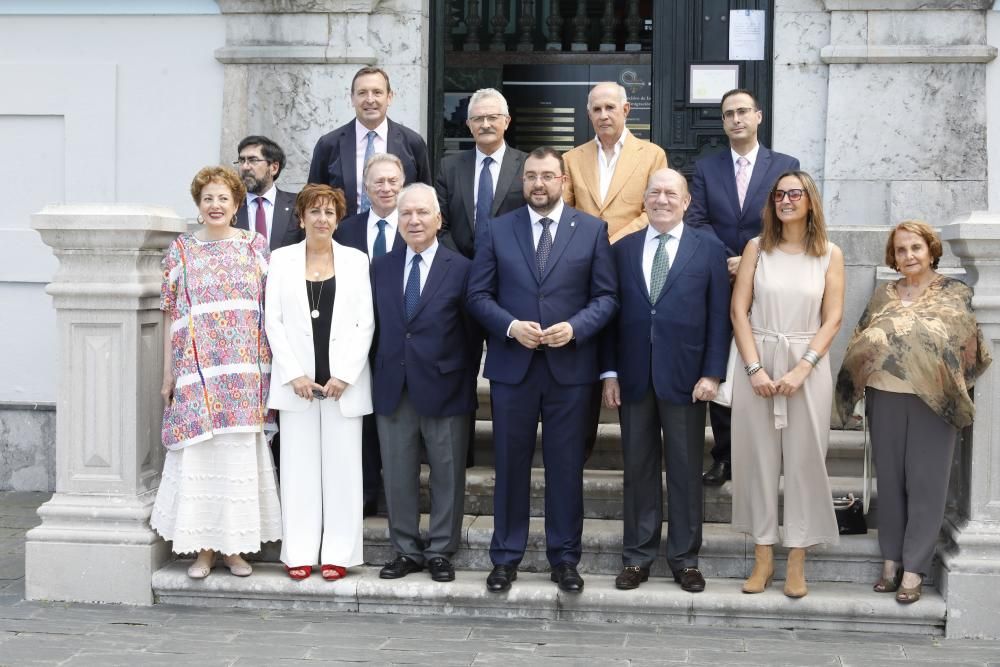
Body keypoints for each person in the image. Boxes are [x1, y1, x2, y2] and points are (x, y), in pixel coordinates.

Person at [466, 147, 618, 594]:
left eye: (547, 176)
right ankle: (506, 557)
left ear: (563, 182)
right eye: (530, 176)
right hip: (513, 369)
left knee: (566, 469)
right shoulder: (497, 230)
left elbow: (606, 298)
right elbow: (478, 296)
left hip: (571, 371)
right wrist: (511, 326)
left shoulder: (591, 231)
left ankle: (565, 558)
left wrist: (575, 328)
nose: (538, 184)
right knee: (510, 467)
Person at [835, 220, 991, 604]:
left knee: (926, 485)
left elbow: (969, 346)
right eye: (901, 250)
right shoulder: (882, 294)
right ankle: (890, 561)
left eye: (915, 248)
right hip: (884, 396)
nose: (908, 256)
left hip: (933, 401)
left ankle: (915, 568)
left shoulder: (955, 293)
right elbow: (861, 340)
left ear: (931, 250)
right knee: (890, 484)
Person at [601, 169, 730, 593]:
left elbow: (719, 317)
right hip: (634, 377)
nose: (661, 199)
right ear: (644, 199)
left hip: (687, 379)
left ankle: (685, 559)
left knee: (685, 469)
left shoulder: (708, 249)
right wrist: (610, 372)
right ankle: (637, 557)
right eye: (654, 192)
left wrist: (713, 373)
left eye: (670, 193)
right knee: (637, 468)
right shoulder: (621, 249)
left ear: (686, 201)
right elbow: (611, 318)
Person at [151, 166, 281, 579]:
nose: (215, 205)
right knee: (200, 460)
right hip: (197, 374)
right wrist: (169, 374)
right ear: (198, 204)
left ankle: (234, 550)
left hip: (243, 377)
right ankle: (202, 551)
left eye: (223, 198)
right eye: (208, 198)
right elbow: (172, 314)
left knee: (235, 462)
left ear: (237, 204)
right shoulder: (181, 251)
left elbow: (272, 311)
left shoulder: (254, 246)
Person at [729, 170, 844, 598]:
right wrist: (755, 368)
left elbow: (832, 317)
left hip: (806, 364)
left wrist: (802, 368)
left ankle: (797, 556)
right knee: (757, 460)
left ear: (810, 201)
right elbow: (739, 311)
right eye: (780, 194)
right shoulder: (756, 248)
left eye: (795, 193)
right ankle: (763, 555)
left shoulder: (829, 254)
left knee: (803, 461)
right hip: (757, 359)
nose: (787, 200)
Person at [686, 89, 801, 487]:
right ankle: (725, 457)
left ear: (758, 116)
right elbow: (697, 219)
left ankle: (767, 453)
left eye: (743, 112)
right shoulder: (706, 168)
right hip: (719, 278)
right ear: (722, 122)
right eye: (728, 114)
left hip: (769, 276)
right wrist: (728, 260)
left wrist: (752, 258)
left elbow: (789, 218)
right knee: (722, 363)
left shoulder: (785, 166)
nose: (736, 119)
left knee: (766, 362)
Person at [264, 184, 375, 581]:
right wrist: (293, 373)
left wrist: (345, 374)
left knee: (344, 473)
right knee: (298, 472)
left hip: (343, 385)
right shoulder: (280, 260)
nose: (322, 219)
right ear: (301, 217)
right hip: (299, 386)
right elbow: (272, 321)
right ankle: (299, 551)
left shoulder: (356, 260)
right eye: (315, 212)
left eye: (330, 212)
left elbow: (366, 322)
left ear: (338, 219)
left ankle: (338, 554)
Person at [371, 184, 479, 583]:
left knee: (447, 473)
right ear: (397, 221)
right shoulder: (379, 267)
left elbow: (473, 334)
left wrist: (460, 378)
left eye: (422, 213)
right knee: (397, 473)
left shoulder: (462, 268)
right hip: (393, 385)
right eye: (406, 214)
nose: (414, 220)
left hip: (445, 384)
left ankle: (440, 550)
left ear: (438, 219)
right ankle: (405, 550)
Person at [334, 152, 407, 516]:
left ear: (403, 184)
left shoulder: (416, 228)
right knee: (360, 424)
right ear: (365, 186)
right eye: (378, 181)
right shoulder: (345, 230)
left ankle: (398, 498)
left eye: (393, 181)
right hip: (354, 343)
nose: (386, 187)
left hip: (399, 343)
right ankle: (364, 496)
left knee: (395, 421)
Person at [307, 66, 432, 217]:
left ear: (389, 97)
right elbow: (312, 200)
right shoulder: (328, 144)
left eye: (377, 92)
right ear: (352, 98)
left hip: (400, 236)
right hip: (344, 236)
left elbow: (425, 197)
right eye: (362, 93)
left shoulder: (413, 143)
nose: (370, 99)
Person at [562, 82, 668, 243]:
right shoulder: (571, 159)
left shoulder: (653, 155)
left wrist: (613, 242)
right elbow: (563, 211)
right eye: (597, 109)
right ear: (590, 115)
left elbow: (655, 210)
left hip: (632, 251)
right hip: (583, 253)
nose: (603, 115)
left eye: (610, 107)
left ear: (625, 110)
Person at [436, 88, 527, 258]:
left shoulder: (527, 165)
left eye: (492, 117)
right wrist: (459, 263)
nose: (485, 125)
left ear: (507, 122)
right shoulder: (449, 167)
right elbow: (440, 223)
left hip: (513, 268)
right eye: (477, 119)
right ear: (469, 125)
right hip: (461, 267)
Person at [234, 135, 303, 250]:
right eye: (241, 160)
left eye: (253, 160)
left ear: (274, 168)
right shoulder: (230, 206)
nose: (245, 167)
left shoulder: (298, 204)